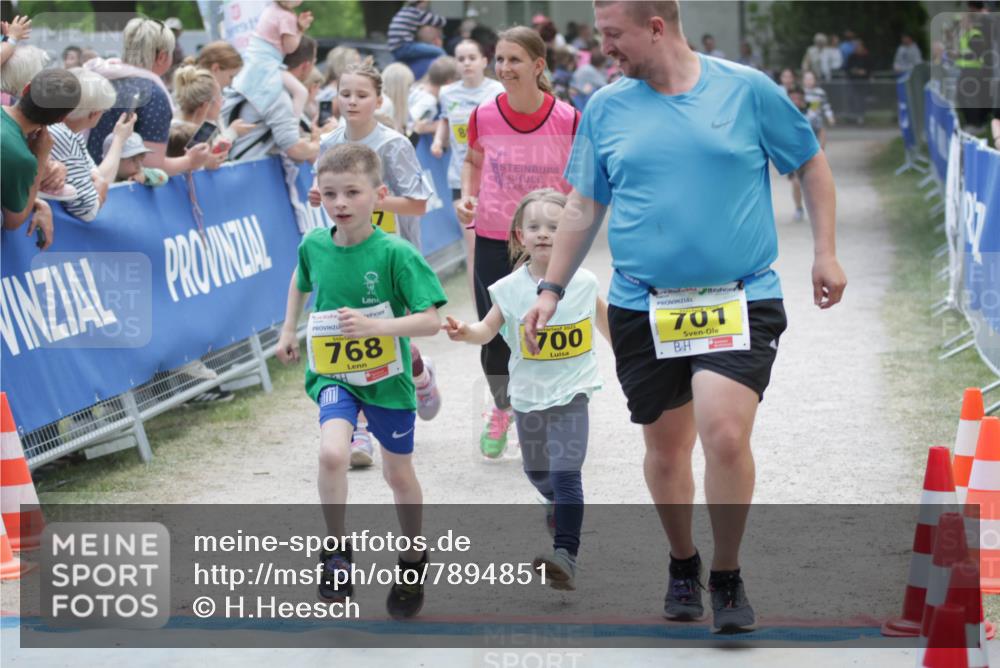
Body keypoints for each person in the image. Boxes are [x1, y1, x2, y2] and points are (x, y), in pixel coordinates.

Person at [522, 0, 845, 634]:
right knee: (667, 453)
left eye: (613, 36)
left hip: (740, 295)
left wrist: (826, 253)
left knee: (724, 433)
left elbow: (809, 161)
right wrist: (551, 287)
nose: (604, 48)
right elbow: (584, 204)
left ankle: (725, 573)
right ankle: (682, 561)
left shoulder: (746, 90)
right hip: (645, 304)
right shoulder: (607, 109)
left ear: (657, 27)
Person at [275, 143, 447, 619]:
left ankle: (412, 559)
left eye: (352, 192)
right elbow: (301, 278)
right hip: (335, 374)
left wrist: (378, 328)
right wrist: (289, 328)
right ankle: (335, 553)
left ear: (379, 194)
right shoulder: (314, 244)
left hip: (388, 379)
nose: (341, 203)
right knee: (332, 452)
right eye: (330, 194)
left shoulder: (395, 252)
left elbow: (430, 320)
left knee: (397, 475)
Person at [444, 188, 610, 590]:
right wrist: (466, 332)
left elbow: (610, 329)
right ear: (519, 236)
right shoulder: (508, 288)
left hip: (573, 394)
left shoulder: (584, 283)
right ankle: (554, 501)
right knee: (538, 472)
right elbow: (487, 330)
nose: (543, 233)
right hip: (529, 399)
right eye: (533, 226)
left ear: (571, 233)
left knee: (567, 472)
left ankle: (565, 555)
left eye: (554, 226)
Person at [308, 59, 440, 467]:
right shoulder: (329, 143)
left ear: (378, 99)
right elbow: (325, 191)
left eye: (361, 95)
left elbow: (418, 204)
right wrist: (323, 197)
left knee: (388, 333)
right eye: (344, 93)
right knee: (351, 331)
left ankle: (418, 371)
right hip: (347, 250)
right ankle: (360, 429)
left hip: (390, 249)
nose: (351, 101)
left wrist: (371, 199)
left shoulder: (394, 144)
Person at [456, 26, 580, 459]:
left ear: (538, 65)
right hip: (493, 235)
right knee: (494, 335)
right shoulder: (483, 115)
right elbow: (472, 161)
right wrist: (467, 196)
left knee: (550, 328)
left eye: (514, 60)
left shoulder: (567, 118)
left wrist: (575, 225)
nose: (504, 68)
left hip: (547, 242)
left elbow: (581, 181)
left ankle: (553, 409)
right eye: (500, 59)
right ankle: (503, 406)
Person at [84, 18, 209, 175]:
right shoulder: (153, 94)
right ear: (162, 57)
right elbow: (151, 165)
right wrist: (190, 160)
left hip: (83, 182)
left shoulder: (98, 77)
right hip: (120, 190)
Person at [432, 39, 504, 299]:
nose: (466, 63)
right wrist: (439, 141)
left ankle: (505, 308)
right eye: (460, 59)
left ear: (485, 61)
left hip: (495, 179)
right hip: (460, 180)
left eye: (472, 57)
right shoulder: (447, 93)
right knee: (473, 248)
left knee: (500, 246)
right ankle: (481, 315)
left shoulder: (497, 90)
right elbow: (444, 120)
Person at [2, 68, 81, 248]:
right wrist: (41, 157)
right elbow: (13, 221)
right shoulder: (21, 159)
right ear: (62, 118)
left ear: (26, 89)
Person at [50, 68, 136, 221]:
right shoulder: (63, 136)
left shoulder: (70, 134)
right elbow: (88, 210)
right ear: (94, 113)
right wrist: (119, 139)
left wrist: (119, 139)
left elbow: (98, 178)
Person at [221, 35, 321, 163]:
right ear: (306, 66)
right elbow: (293, 149)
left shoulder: (263, 82)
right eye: (314, 62)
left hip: (241, 168)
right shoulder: (276, 93)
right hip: (248, 172)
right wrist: (317, 144)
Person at [230, 0, 313, 120]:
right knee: (301, 92)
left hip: (256, 62)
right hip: (268, 65)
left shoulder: (271, 8)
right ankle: (292, 124)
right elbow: (290, 47)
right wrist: (300, 29)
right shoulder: (287, 17)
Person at [388, 0, 447, 71]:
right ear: (422, 2)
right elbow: (441, 21)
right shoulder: (416, 13)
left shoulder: (403, 11)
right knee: (439, 51)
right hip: (405, 47)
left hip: (395, 49)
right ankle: (448, 70)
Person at [409, 56, 457, 138]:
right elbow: (410, 126)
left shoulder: (419, 87)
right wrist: (434, 127)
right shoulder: (429, 101)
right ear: (449, 82)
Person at [802, 70, 835, 148]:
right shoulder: (800, 92)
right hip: (804, 121)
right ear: (803, 80)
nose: (808, 81)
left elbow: (826, 106)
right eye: (806, 79)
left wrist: (830, 117)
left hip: (817, 121)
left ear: (815, 80)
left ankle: (821, 151)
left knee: (821, 131)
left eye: (811, 79)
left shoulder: (820, 93)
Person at [845, 38, 872, 125]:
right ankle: (852, 117)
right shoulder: (851, 57)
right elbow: (847, 69)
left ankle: (861, 117)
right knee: (852, 99)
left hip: (863, 82)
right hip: (853, 82)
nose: (857, 48)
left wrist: (864, 72)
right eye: (855, 46)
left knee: (861, 100)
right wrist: (855, 71)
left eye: (858, 46)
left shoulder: (866, 56)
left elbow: (870, 69)